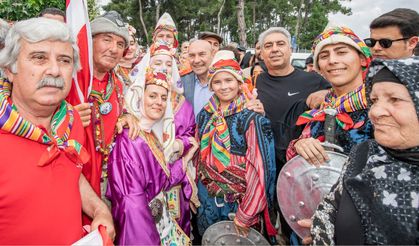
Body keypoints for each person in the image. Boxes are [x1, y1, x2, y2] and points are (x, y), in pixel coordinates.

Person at [0, 17, 114, 244]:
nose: (54, 70)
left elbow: (71, 173)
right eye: (39, 57)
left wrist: (99, 209)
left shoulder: (70, 121)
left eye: (64, 60)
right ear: (9, 70)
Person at [301, 57, 419, 245]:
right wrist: (323, 232)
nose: (376, 111)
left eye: (395, 99)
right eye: (374, 100)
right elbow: (330, 207)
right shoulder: (365, 152)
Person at [107, 70, 198, 245]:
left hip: (158, 224)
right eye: (153, 96)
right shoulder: (129, 139)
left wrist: (185, 161)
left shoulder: (149, 134)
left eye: (164, 98)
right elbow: (131, 205)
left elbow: (160, 181)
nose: (159, 102)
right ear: (140, 98)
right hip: (142, 230)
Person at [195, 50, 277, 242]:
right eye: (217, 81)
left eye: (229, 81)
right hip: (207, 199)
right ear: (211, 85)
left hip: (238, 205)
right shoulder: (206, 114)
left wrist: (247, 213)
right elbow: (199, 155)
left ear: (239, 83)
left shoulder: (251, 118)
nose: (223, 87)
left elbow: (261, 169)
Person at [68, 11, 139, 201]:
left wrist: (125, 115)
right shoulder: (71, 81)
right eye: (107, 40)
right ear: (89, 42)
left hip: (108, 181)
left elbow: (118, 111)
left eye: (120, 44)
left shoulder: (118, 83)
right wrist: (67, 118)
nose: (114, 49)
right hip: (73, 179)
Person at [129, 42, 199, 234]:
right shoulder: (135, 99)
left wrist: (177, 145)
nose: (163, 68)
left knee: (174, 231)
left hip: (173, 178)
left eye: (168, 64)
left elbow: (190, 136)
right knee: (144, 227)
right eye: (157, 62)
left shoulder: (182, 103)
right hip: (142, 182)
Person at [287, 26, 373, 164]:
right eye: (324, 56)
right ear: (319, 68)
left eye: (341, 52)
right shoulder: (322, 107)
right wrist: (300, 145)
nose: (332, 60)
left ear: (362, 59)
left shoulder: (379, 107)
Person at [255, 27, 330, 170]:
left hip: (301, 163)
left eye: (280, 44)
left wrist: (328, 94)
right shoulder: (255, 81)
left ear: (291, 49)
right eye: (268, 46)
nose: (274, 49)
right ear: (261, 53)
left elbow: (342, 100)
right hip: (264, 164)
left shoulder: (314, 81)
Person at [183, 39, 264, 118]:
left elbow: (253, 105)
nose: (196, 60)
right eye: (192, 55)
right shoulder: (182, 81)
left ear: (212, 55)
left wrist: (257, 111)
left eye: (202, 54)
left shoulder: (242, 83)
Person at [115, 24, 140, 92]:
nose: (129, 48)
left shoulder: (143, 64)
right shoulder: (113, 68)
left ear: (136, 45)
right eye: (126, 45)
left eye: (132, 44)